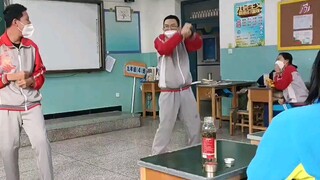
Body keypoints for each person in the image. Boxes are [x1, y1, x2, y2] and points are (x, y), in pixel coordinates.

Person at [246, 51, 320, 179]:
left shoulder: (290, 70)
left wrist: (276, 77)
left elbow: (280, 85)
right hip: (294, 100)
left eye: (279, 59)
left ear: (286, 61)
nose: (276, 62)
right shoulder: (285, 71)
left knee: (269, 108)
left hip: (298, 101)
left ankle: (265, 126)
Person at [0, 4, 53, 180]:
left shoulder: (32, 46)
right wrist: (9, 77)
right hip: (6, 108)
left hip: (31, 105)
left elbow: (41, 71)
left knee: (42, 143)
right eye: (27, 19)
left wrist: (31, 81)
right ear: (16, 22)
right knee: (8, 150)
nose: (30, 23)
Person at [151, 15, 202, 155]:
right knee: (165, 126)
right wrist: (180, 35)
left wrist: (190, 34)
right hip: (168, 92)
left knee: (194, 124)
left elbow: (197, 45)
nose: (169, 29)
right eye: (166, 26)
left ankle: (195, 151)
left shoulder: (183, 41)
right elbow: (165, 49)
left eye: (173, 26)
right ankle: (157, 155)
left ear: (179, 27)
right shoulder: (159, 39)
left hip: (186, 90)